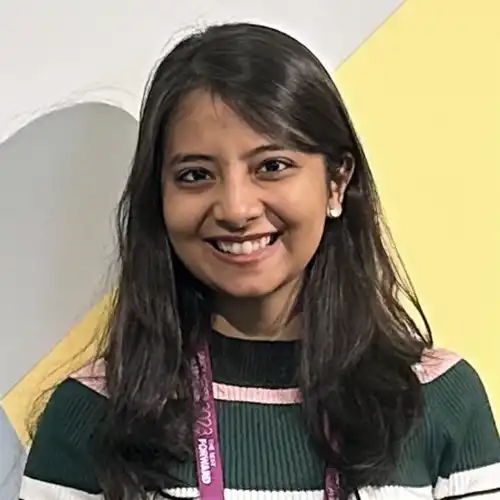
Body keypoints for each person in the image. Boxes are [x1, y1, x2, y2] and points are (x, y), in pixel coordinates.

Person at [20, 22, 499, 500]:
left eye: (271, 166)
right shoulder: (91, 414)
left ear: (336, 182)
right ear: (158, 198)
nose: (235, 208)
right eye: (195, 174)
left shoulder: (439, 401)